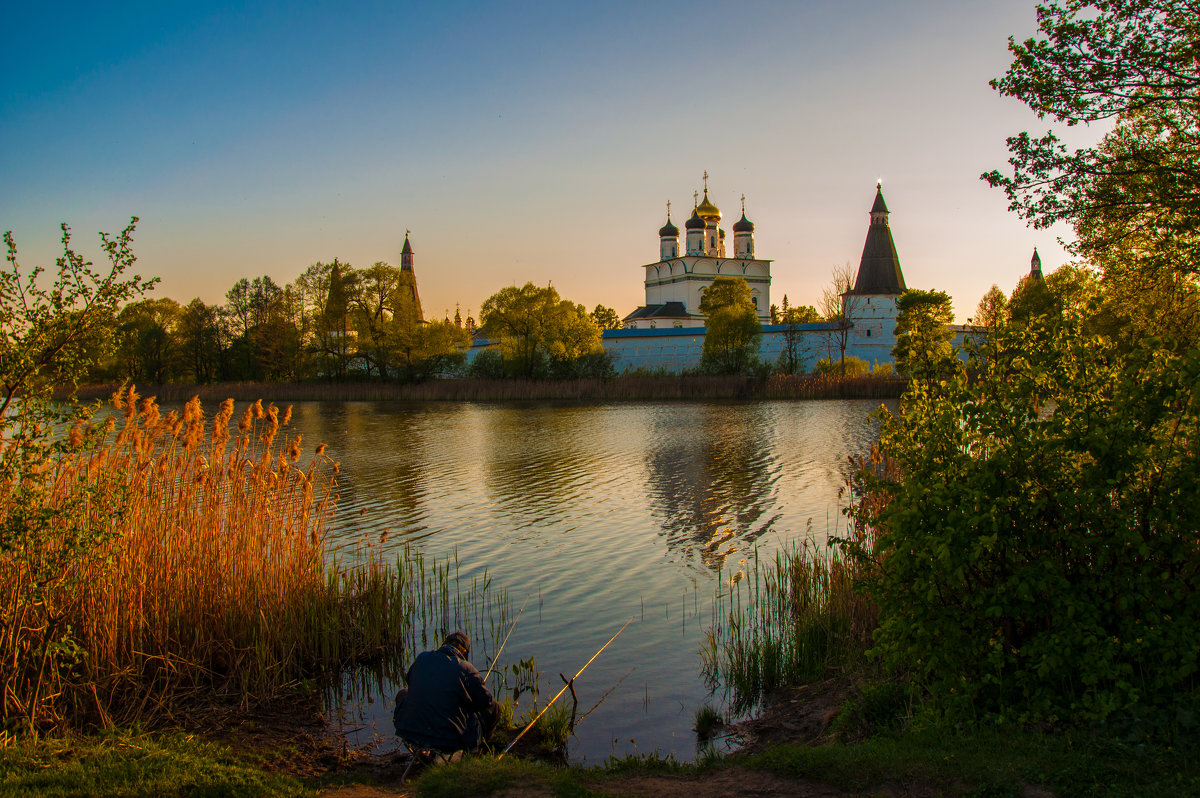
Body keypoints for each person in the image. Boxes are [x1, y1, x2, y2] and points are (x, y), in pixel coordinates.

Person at [393, 631, 500, 752]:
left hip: (409, 732)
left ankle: (421, 743)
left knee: (403, 693)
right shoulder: (466, 668)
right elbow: (487, 702)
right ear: (464, 652)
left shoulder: (422, 658)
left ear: (443, 644)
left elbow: (410, 682)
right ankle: (480, 748)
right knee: (494, 708)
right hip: (449, 740)